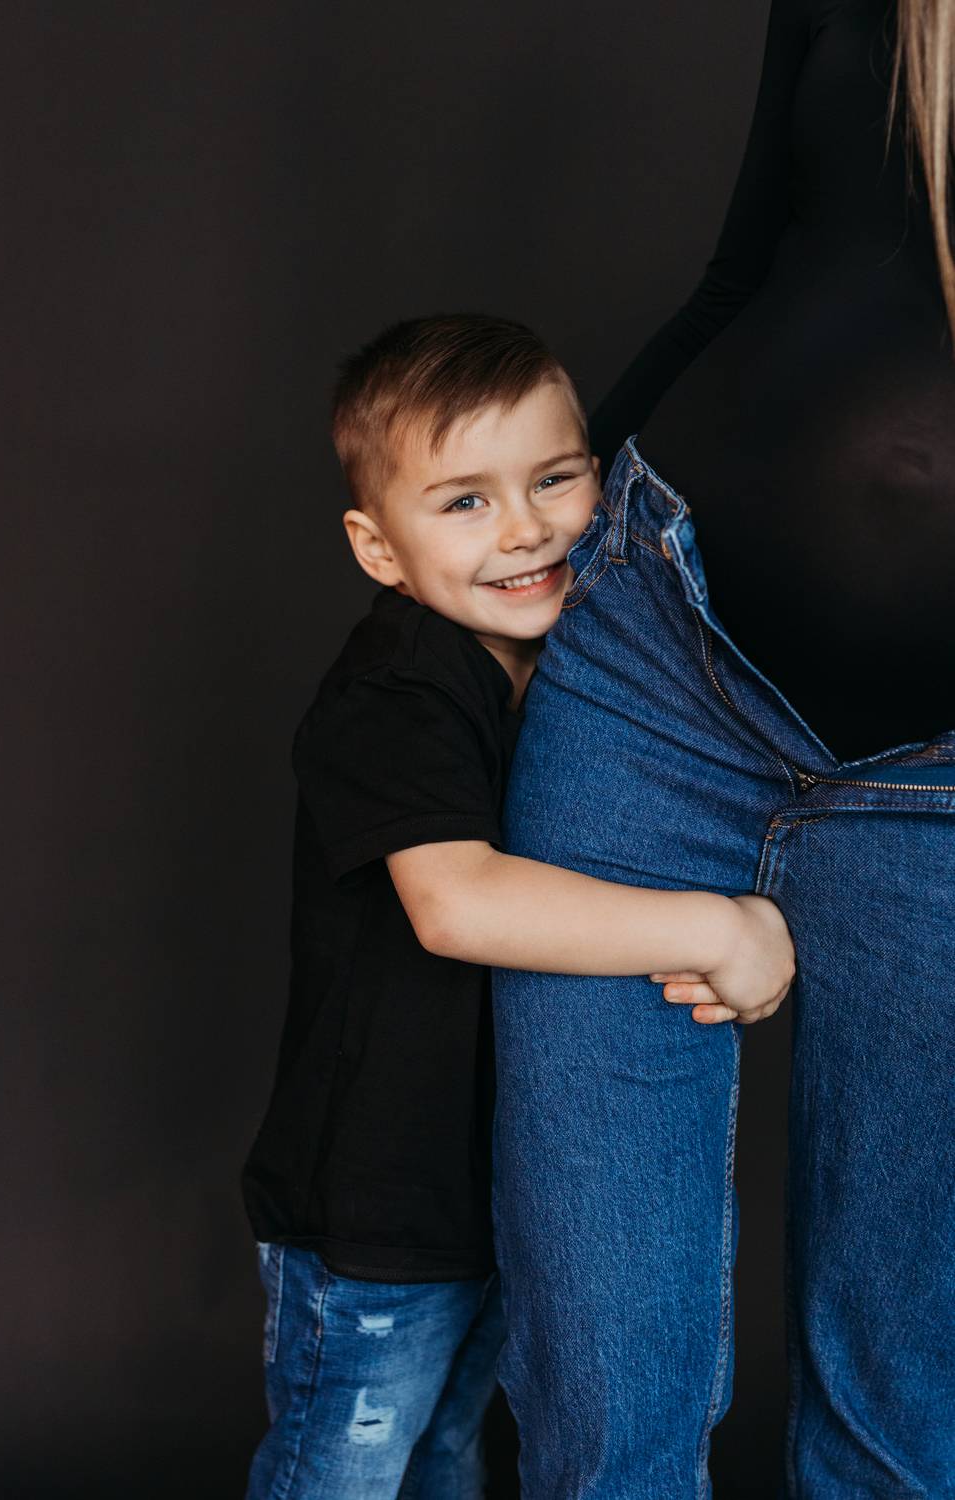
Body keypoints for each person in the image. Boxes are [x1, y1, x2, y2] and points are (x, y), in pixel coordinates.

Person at [492, 2, 955, 1496]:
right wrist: (536, 578)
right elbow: (735, 280)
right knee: (598, 1380)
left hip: (941, 799)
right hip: (656, 679)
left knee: (905, 1405)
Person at [240, 314, 796, 1499]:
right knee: (346, 1467)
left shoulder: (571, 667)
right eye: (465, 502)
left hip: (489, 1185)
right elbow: (456, 902)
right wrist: (720, 928)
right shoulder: (395, 689)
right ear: (378, 549)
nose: (525, 528)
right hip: (373, 1209)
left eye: (555, 478)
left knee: (448, 1455)